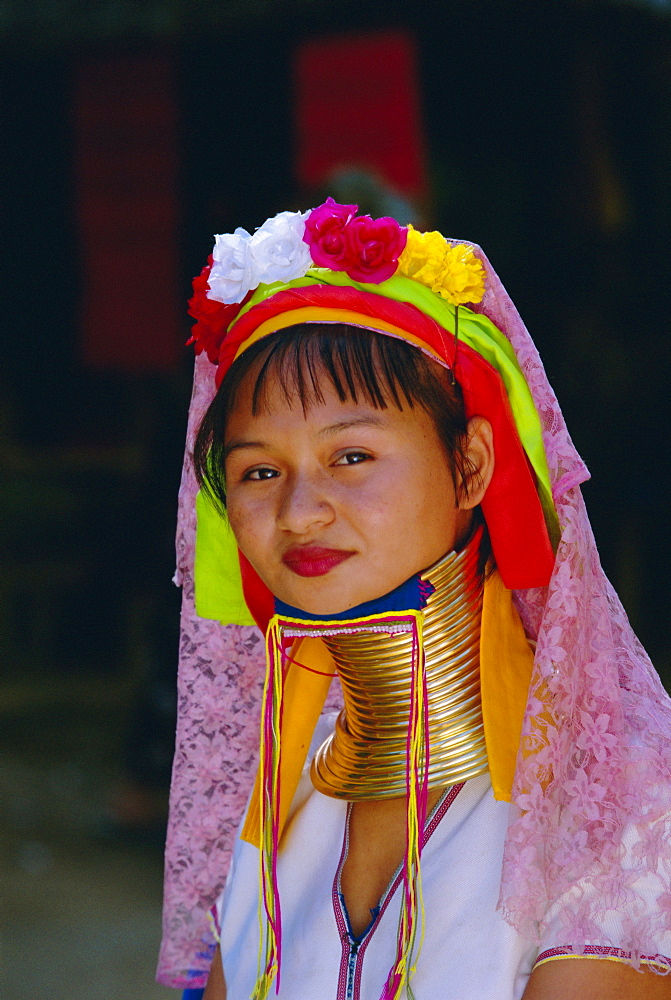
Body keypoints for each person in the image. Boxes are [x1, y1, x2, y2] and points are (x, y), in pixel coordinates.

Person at [157, 200, 671, 1000]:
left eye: (351, 455)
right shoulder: (277, 802)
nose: (298, 513)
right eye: (258, 471)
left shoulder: (620, 813)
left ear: (470, 466)